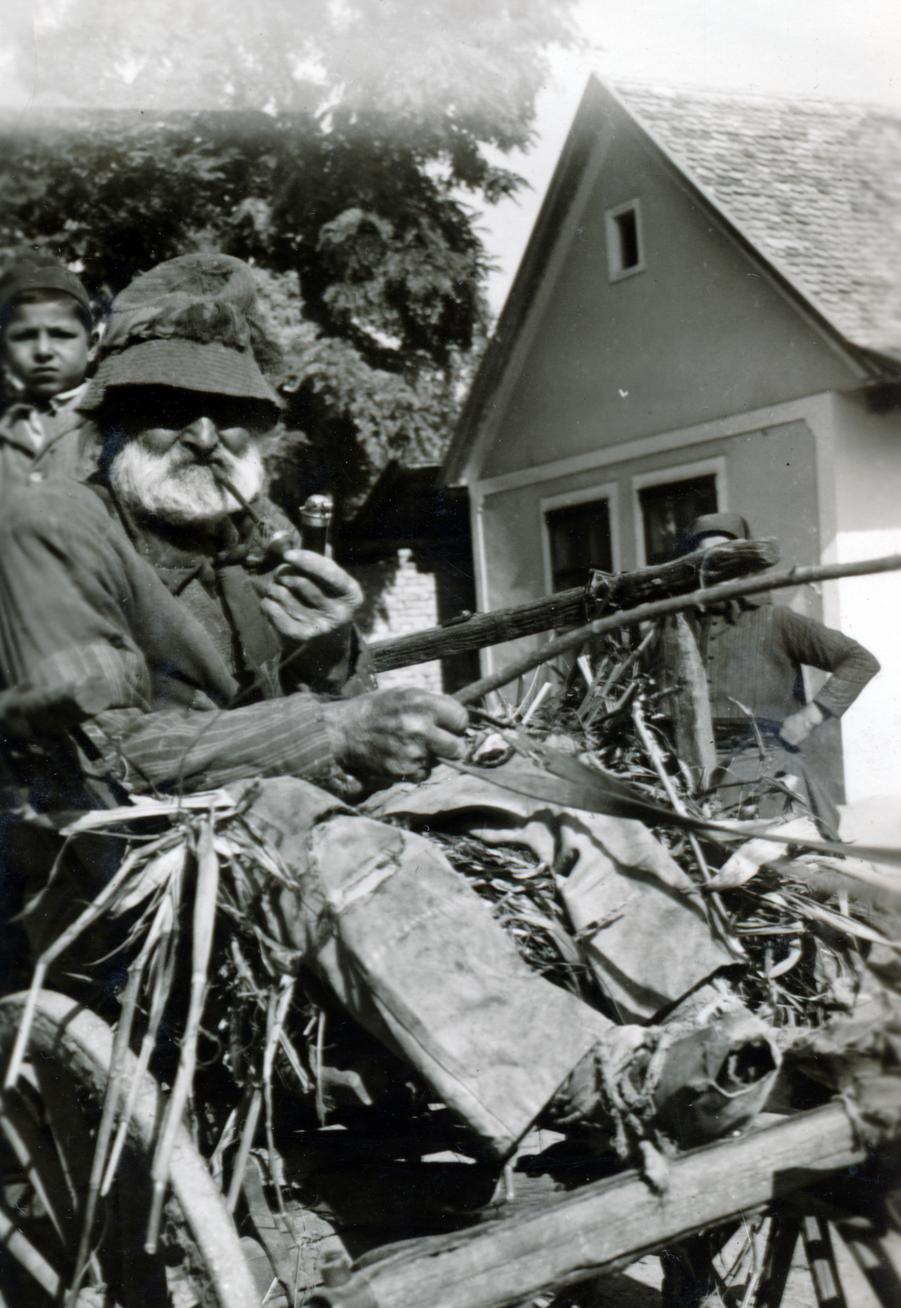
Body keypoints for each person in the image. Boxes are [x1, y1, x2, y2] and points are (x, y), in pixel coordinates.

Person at [0, 255, 776, 1160]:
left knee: (546, 779)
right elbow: (111, 753)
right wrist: (338, 726)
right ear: (116, 424)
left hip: (279, 800)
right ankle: (594, 1079)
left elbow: (335, 704)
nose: (206, 434)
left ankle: (708, 1023)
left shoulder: (254, 530)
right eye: (170, 410)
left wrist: (334, 646)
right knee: (339, 843)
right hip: (128, 847)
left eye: (235, 414)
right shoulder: (46, 533)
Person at [667, 512, 880, 834]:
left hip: (763, 758)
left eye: (728, 556)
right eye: (706, 558)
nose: (717, 568)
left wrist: (808, 718)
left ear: (746, 561)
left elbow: (859, 660)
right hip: (688, 762)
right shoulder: (675, 625)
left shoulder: (777, 620)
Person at [0, 255, 102, 494]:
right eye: (25, 336)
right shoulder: (7, 424)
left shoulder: (111, 420)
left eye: (61, 334)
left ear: (92, 345)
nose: (43, 351)